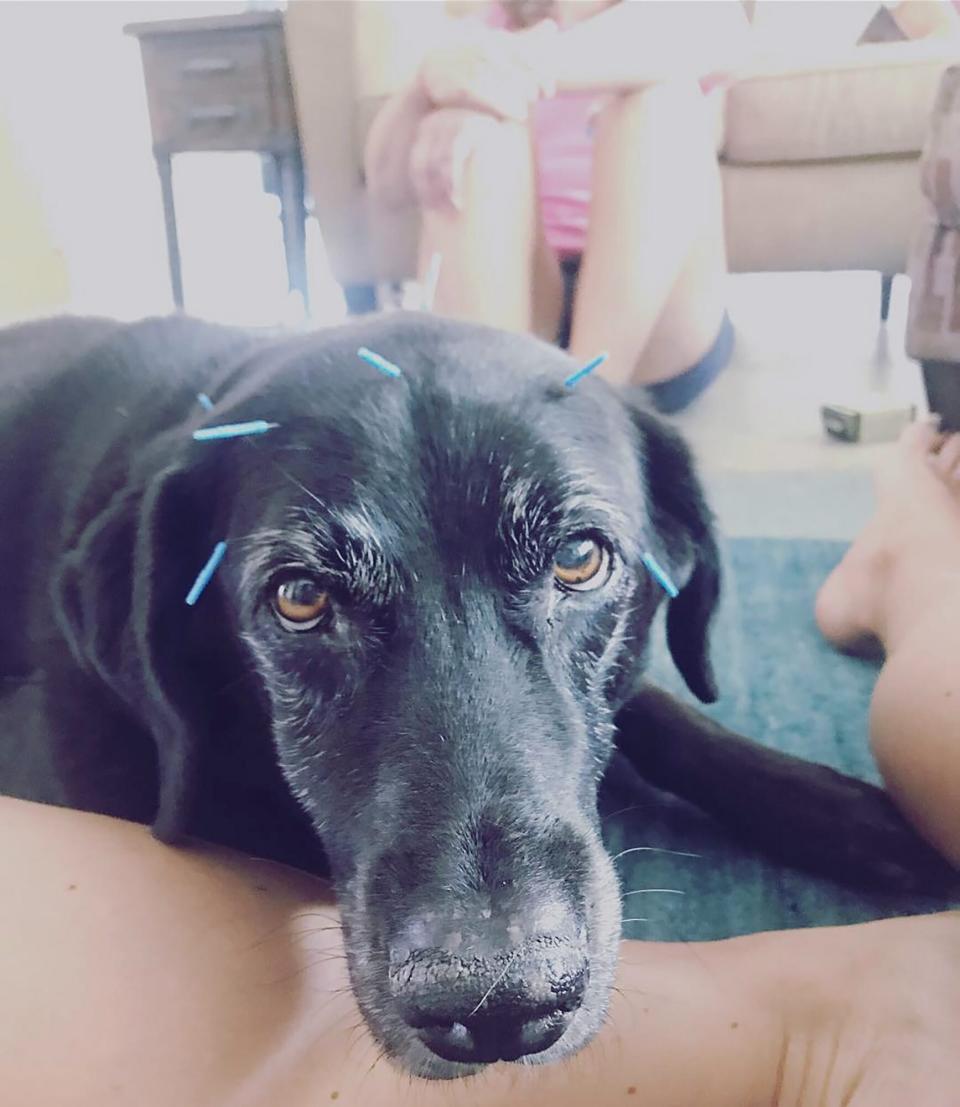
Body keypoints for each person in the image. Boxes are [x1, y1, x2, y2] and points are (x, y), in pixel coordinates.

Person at [3, 426, 960, 1104]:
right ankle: (919, 550)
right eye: (303, 600)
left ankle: (913, 547)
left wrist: (696, 754)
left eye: (579, 562)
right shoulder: (181, 526)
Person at [364, 1, 749, 412]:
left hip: (652, 316)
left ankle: (584, 410)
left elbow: (717, 33)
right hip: (519, 298)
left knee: (661, 100)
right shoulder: (481, 34)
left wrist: (502, 73)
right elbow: (387, 188)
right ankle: (487, 410)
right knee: (475, 132)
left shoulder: (683, 14)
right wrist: (430, 84)